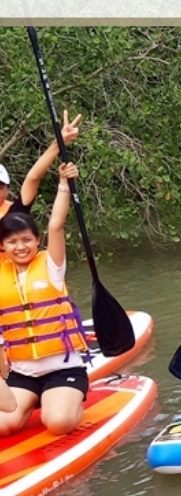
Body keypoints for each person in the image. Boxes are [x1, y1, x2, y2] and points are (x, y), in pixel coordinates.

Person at [0, 163, 89, 437]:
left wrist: (64, 183)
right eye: (12, 242)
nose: (21, 246)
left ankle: (63, 400)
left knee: (58, 423)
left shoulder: (51, 264)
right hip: (22, 374)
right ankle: (34, 401)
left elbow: (56, 224)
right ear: (2, 247)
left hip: (62, 369)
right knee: (3, 427)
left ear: (37, 240)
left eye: (27, 239)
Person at [0, 109, 83, 220]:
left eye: (0, 187)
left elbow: (33, 178)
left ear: (7, 190)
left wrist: (58, 143)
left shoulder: (14, 214)